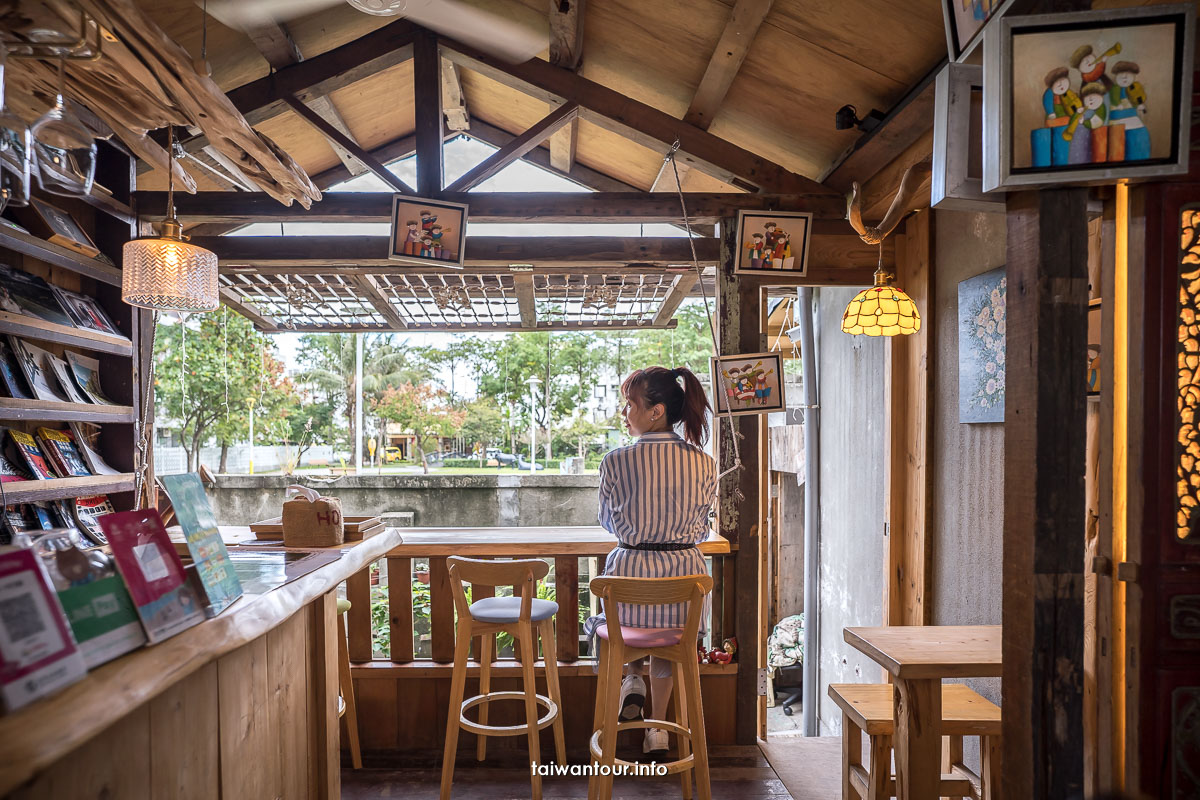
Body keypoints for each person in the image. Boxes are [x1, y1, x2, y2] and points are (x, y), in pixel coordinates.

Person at [597, 366, 716, 756]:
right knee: (667, 642)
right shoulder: (703, 462)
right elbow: (700, 529)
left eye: (629, 404)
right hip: (684, 585)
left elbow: (607, 522)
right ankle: (659, 730)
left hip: (627, 585)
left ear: (655, 411)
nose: (624, 412)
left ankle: (631, 676)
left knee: (625, 631)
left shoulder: (615, 461)